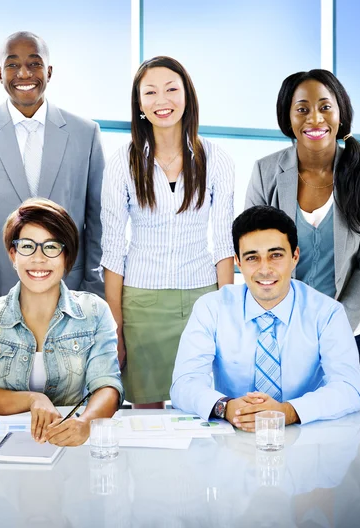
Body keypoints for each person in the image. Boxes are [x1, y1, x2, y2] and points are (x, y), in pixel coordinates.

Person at [0, 31, 105, 334]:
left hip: (71, 306)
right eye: (12, 65)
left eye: (34, 64)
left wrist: (91, 301)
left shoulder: (86, 134)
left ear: (49, 71)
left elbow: (98, 227)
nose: (23, 74)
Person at [100, 56, 235, 408]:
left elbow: (223, 244)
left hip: (202, 299)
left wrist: (227, 312)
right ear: (140, 104)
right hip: (141, 302)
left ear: (186, 96)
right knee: (146, 412)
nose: (163, 100)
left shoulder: (217, 159)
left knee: (203, 407)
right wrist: (116, 327)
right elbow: (113, 251)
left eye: (172, 89)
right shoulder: (123, 162)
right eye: (151, 92)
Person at [245, 69, 360, 387]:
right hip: (281, 333)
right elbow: (253, 256)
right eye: (302, 109)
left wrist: (333, 329)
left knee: (341, 432)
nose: (314, 119)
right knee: (283, 428)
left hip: (349, 335)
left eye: (325, 107)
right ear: (288, 116)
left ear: (340, 113)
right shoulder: (265, 172)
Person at [171, 205, 360, 429]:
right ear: (238, 262)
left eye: (276, 255)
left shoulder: (327, 313)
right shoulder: (211, 308)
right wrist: (226, 407)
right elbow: (184, 384)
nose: (265, 269)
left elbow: (349, 388)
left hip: (305, 438)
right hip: (232, 436)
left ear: (295, 257)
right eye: (253, 258)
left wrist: (288, 411)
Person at [0, 198, 123, 447]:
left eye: (51, 247)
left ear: (66, 255)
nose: (38, 258)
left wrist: (86, 423)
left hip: (71, 444)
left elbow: (107, 385)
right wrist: (33, 400)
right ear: (13, 254)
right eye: (27, 246)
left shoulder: (94, 312)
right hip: (4, 446)